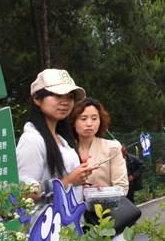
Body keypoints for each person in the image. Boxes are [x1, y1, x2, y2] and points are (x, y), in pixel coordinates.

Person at [16, 69, 93, 202]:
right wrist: (68, 181)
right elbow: (24, 193)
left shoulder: (62, 139)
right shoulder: (32, 140)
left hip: (70, 221)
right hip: (45, 222)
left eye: (70, 96)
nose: (65, 102)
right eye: (57, 95)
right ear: (37, 99)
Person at [69, 98, 129, 195]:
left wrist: (100, 193)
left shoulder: (112, 147)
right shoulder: (65, 149)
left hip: (104, 208)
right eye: (83, 118)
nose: (89, 124)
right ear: (73, 122)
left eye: (94, 118)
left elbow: (122, 187)